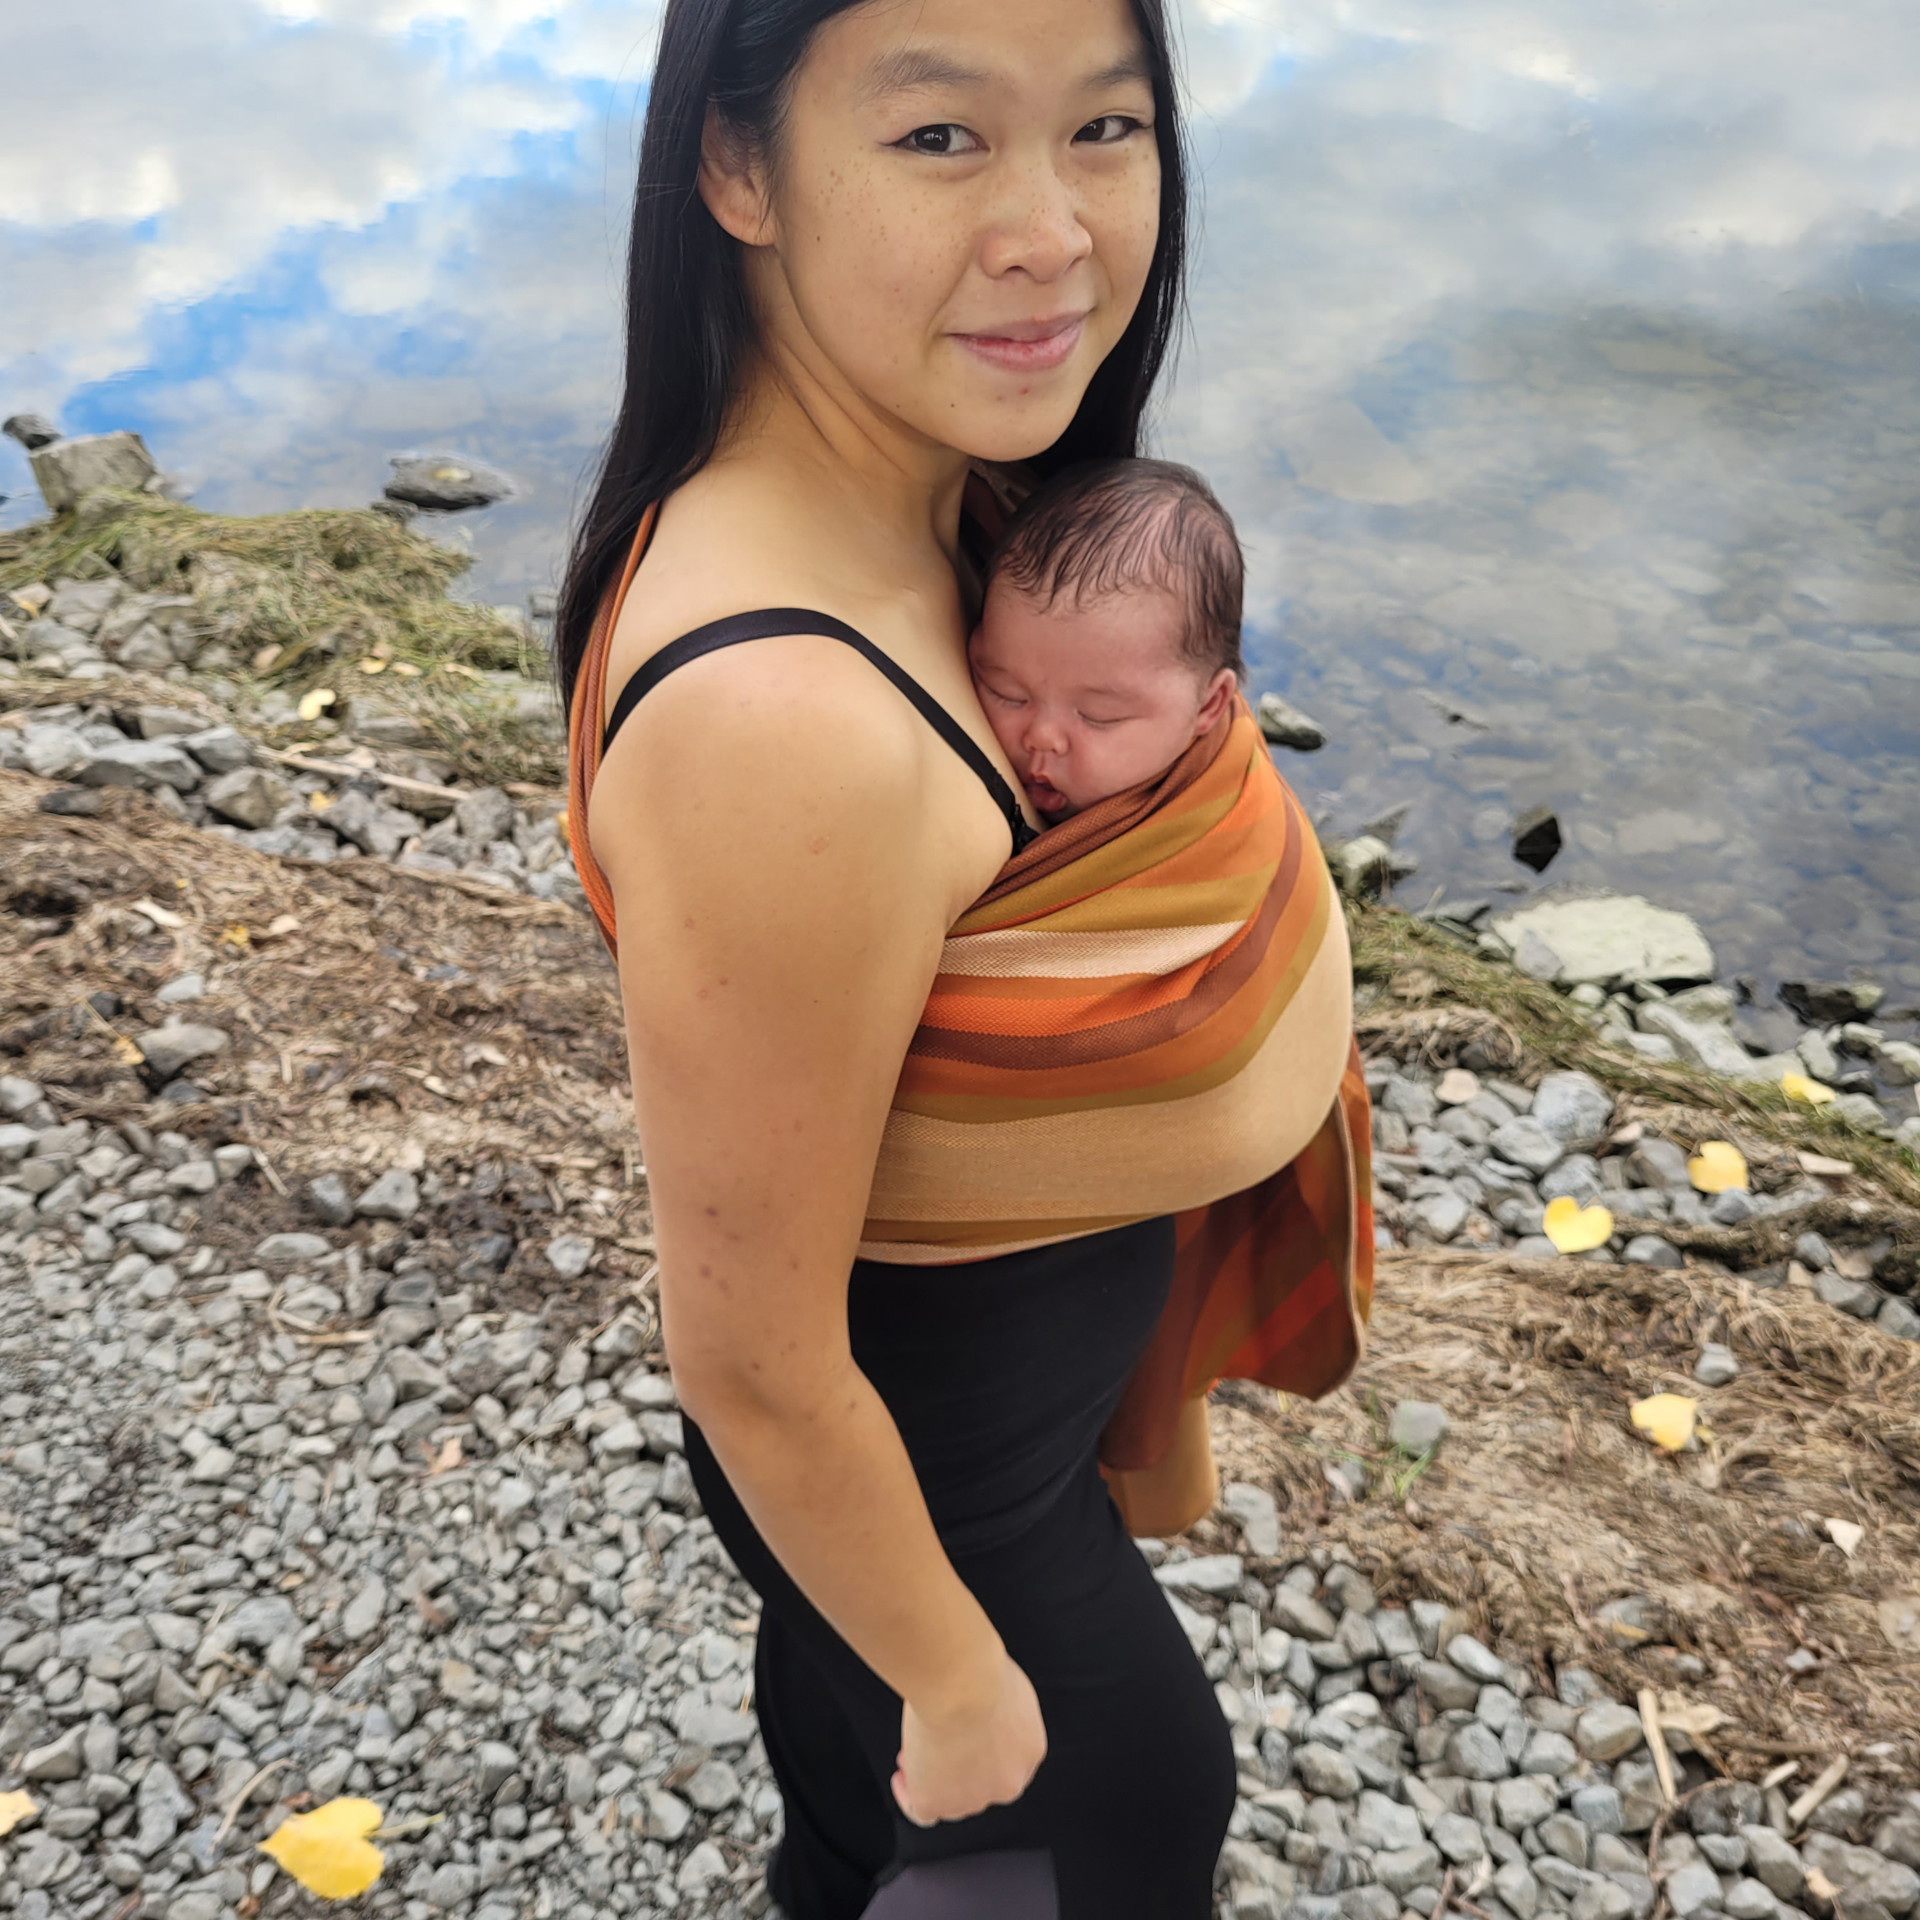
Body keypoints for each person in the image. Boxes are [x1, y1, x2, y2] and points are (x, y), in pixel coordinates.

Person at [557, 2, 1370, 1914]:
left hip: (944, 1504)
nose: (1053, 233)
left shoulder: (942, 510)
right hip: (947, 1557)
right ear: (737, 165)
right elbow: (752, 1360)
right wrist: (950, 1673)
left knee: (856, 1859)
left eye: (1107, 128)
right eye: (940, 138)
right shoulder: (790, 721)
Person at [967, 457, 1245, 822]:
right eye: (1006, 692)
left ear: (1208, 705)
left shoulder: (1214, 831)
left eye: (1099, 717)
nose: (1042, 737)